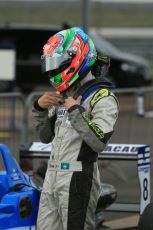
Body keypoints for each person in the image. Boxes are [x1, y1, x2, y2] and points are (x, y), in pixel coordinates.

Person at [32, 27, 119, 230]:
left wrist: (75, 111)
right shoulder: (63, 97)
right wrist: (39, 108)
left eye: (57, 64)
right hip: (52, 176)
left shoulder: (103, 97)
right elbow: (45, 137)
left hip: (78, 177)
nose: (53, 72)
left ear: (77, 56)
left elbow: (99, 142)